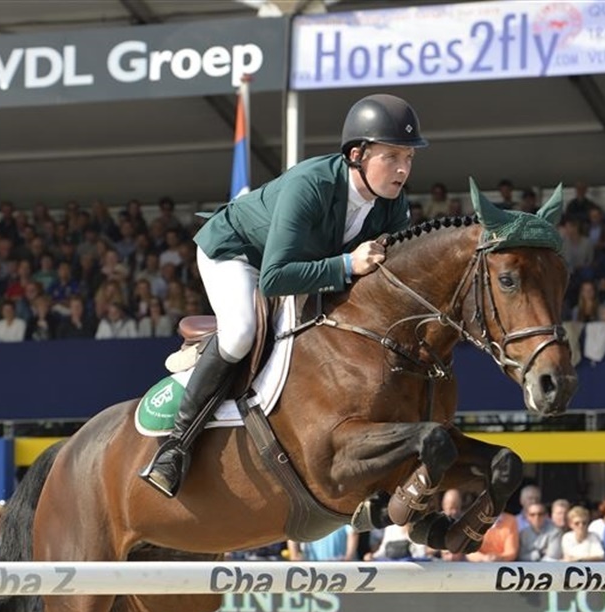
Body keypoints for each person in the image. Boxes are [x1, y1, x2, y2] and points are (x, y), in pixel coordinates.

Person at [140, 94, 426, 497]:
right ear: (357, 155)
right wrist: (347, 264)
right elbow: (274, 278)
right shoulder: (310, 185)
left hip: (300, 264)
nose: (403, 168)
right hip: (239, 254)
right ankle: (175, 447)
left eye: (409, 158)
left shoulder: (393, 206)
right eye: (392, 156)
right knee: (241, 332)